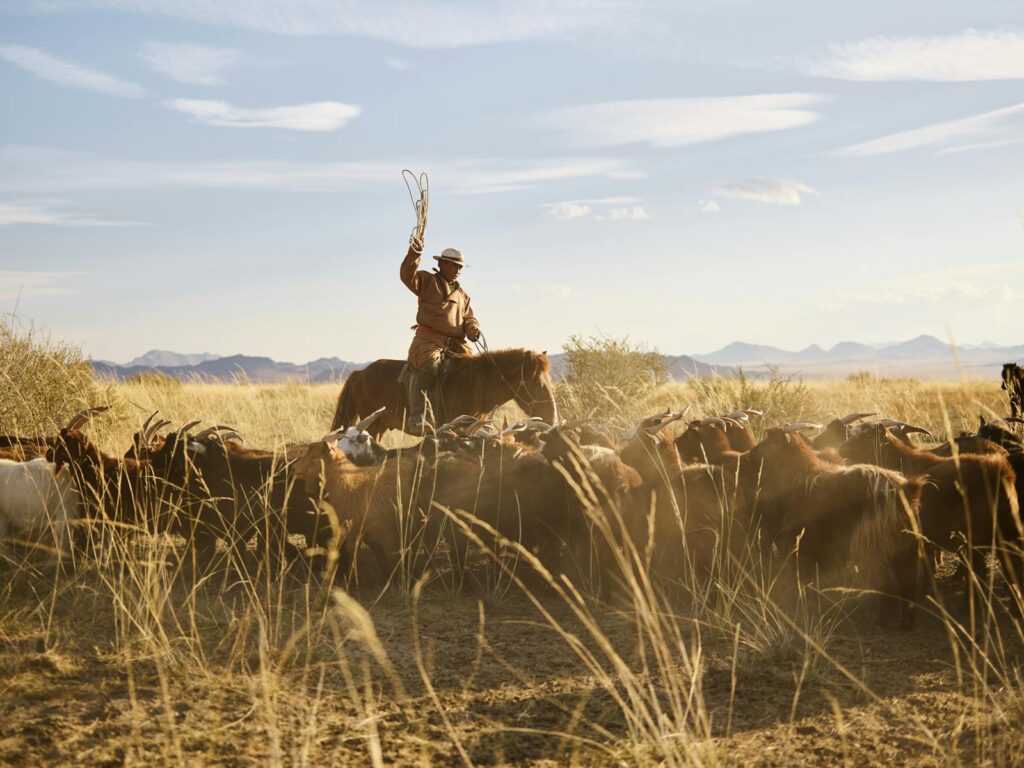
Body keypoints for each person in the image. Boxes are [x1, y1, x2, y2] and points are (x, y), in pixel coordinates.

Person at [400, 235, 481, 433]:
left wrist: (472, 328)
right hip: (428, 340)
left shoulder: (464, 296)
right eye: (453, 266)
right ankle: (417, 417)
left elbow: (470, 317)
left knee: (476, 370)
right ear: (442, 264)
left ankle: (470, 417)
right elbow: (406, 275)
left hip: (456, 343)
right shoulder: (427, 280)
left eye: (460, 267)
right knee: (430, 365)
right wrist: (414, 253)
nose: (457, 271)